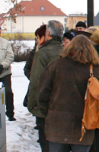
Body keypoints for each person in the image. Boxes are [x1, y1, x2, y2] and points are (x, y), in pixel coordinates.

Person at [37, 36, 99, 152]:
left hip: (58, 124)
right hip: (84, 124)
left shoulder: (56, 65)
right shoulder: (95, 70)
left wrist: (47, 111)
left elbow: (42, 93)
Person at [27, 20, 65, 152]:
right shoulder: (67, 52)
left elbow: (37, 81)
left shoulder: (42, 53)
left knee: (47, 143)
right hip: (64, 106)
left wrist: (32, 104)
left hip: (46, 106)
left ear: (47, 33)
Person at [0, 22, 16, 121]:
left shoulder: (6, 43)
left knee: (8, 92)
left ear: (0, 31)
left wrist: (2, 66)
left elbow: (10, 56)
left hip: (4, 72)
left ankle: (10, 113)